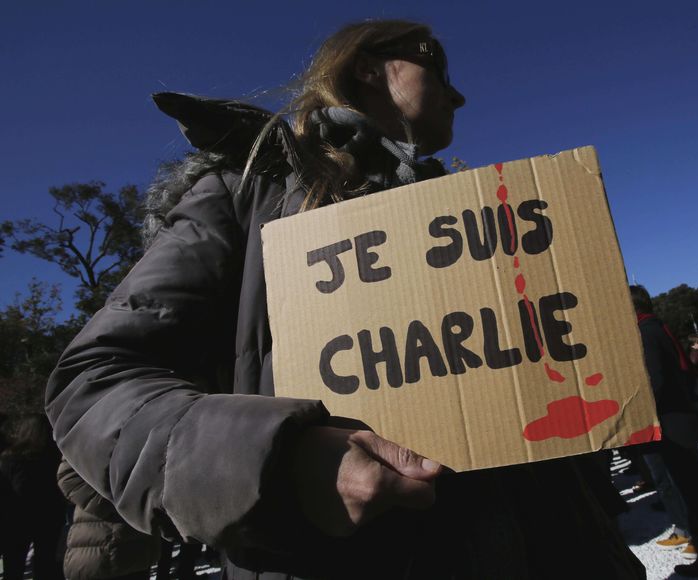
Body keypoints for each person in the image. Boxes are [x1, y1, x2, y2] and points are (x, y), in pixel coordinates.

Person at [44, 20, 645, 580]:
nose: (458, 96)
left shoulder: (476, 219)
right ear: (365, 67)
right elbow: (94, 381)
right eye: (437, 64)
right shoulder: (247, 193)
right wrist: (280, 462)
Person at [630, 285, 698, 579]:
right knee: (696, 497)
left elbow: (657, 381)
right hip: (680, 422)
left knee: (695, 498)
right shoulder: (659, 327)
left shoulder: (646, 332)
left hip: (670, 425)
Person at [0, 414, 67, 580]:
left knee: (13, 566)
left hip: (15, 518)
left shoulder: (10, 459)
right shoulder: (54, 457)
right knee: (46, 563)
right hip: (49, 515)